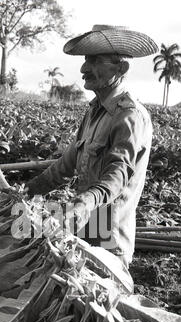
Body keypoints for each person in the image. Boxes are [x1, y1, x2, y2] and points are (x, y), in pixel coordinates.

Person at [25, 25, 158, 268]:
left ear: (121, 68)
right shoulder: (94, 112)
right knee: (18, 227)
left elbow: (118, 172)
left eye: (95, 61)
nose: (84, 69)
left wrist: (87, 201)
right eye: (86, 60)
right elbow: (65, 165)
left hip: (108, 240)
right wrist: (27, 191)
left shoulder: (129, 116)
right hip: (84, 228)